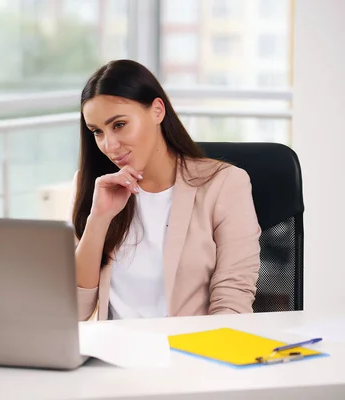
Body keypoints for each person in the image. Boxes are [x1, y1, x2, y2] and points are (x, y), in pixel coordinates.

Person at [69, 59, 261, 321]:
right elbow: (77, 311)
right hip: (114, 354)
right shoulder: (92, 186)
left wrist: (207, 357)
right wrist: (99, 219)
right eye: (97, 131)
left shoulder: (225, 184)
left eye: (119, 125)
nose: (109, 145)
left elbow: (233, 299)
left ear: (157, 111)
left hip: (189, 352)